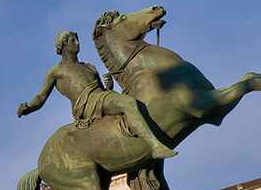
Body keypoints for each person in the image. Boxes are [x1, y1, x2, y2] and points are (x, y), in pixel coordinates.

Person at [18, 31, 176, 157]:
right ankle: (156, 147)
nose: (77, 43)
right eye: (73, 40)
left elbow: (102, 91)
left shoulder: (89, 67)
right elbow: (41, 96)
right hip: (87, 104)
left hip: (101, 97)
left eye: (77, 40)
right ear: (63, 45)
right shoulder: (56, 71)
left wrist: (109, 87)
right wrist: (29, 108)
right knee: (128, 103)